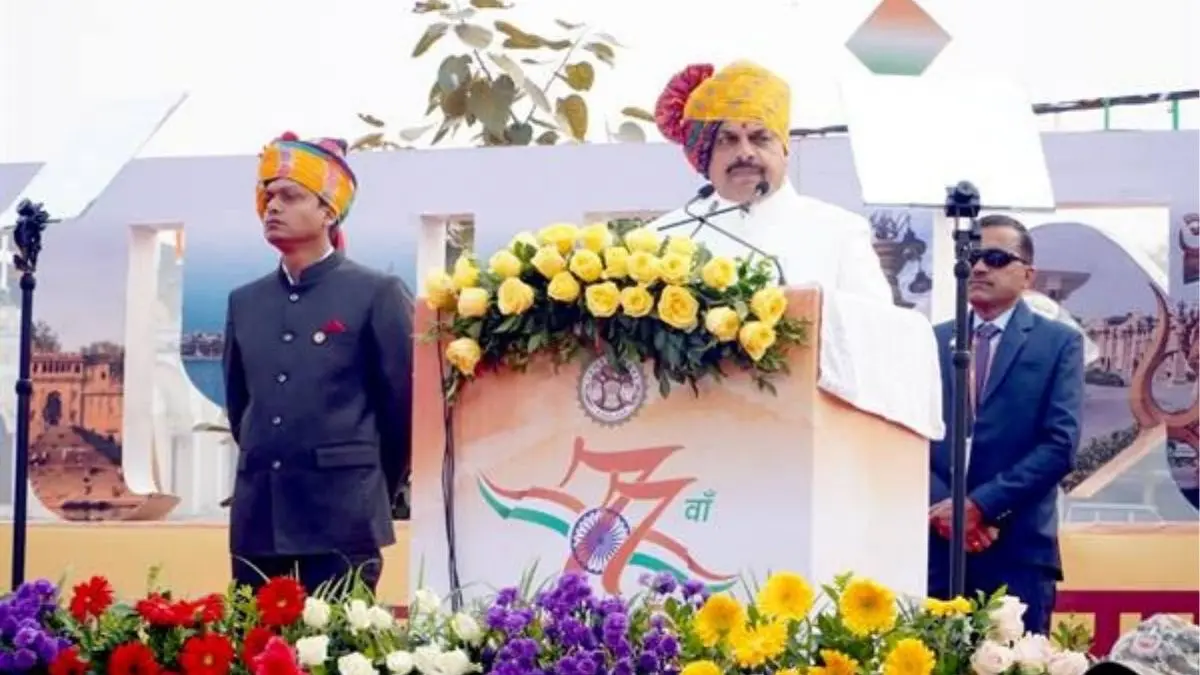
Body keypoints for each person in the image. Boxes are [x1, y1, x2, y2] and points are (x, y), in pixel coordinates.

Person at [222, 131, 414, 593]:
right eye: (268, 196)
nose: (272, 206)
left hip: (343, 516)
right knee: (255, 638)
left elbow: (402, 412)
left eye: (290, 196)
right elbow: (241, 408)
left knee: (337, 639)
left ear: (329, 211)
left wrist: (368, 486)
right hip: (259, 518)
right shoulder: (245, 302)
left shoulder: (376, 292)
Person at [927, 214, 1084, 634]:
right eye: (971, 256)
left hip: (1016, 549)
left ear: (1027, 274)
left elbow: (1059, 445)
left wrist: (981, 506)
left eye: (995, 258)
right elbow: (911, 436)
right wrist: (949, 511)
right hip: (936, 548)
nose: (978, 267)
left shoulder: (1058, 343)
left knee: (1013, 661)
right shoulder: (932, 340)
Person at [647, 60, 892, 301]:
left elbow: (878, 323)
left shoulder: (840, 232)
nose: (745, 152)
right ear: (704, 158)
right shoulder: (663, 238)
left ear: (784, 150)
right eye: (727, 140)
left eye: (760, 138)